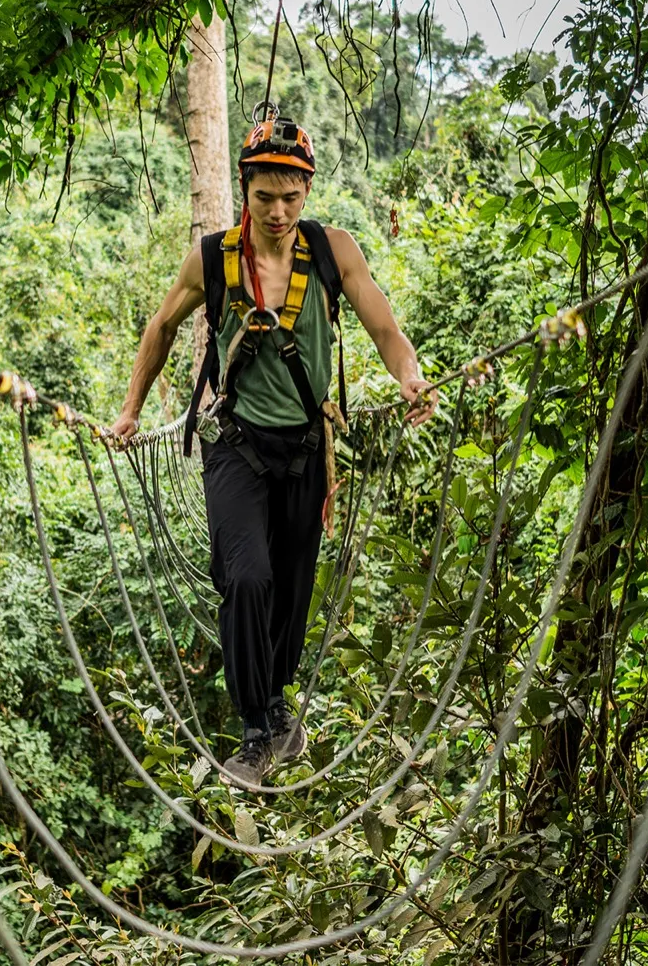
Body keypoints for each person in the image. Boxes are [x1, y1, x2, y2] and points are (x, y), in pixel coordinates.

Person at [106, 110, 434, 787]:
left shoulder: (333, 251)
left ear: (307, 191)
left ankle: (278, 703)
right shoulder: (214, 258)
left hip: (306, 448)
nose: (278, 212)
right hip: (235, 442)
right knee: (248, 577)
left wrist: (410, 376)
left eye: (290, 197)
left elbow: (384, 325)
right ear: (244, 189)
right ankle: (256, 729)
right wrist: (131, 410)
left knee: (291, 588)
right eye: (264, 197)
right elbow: (161, 325)